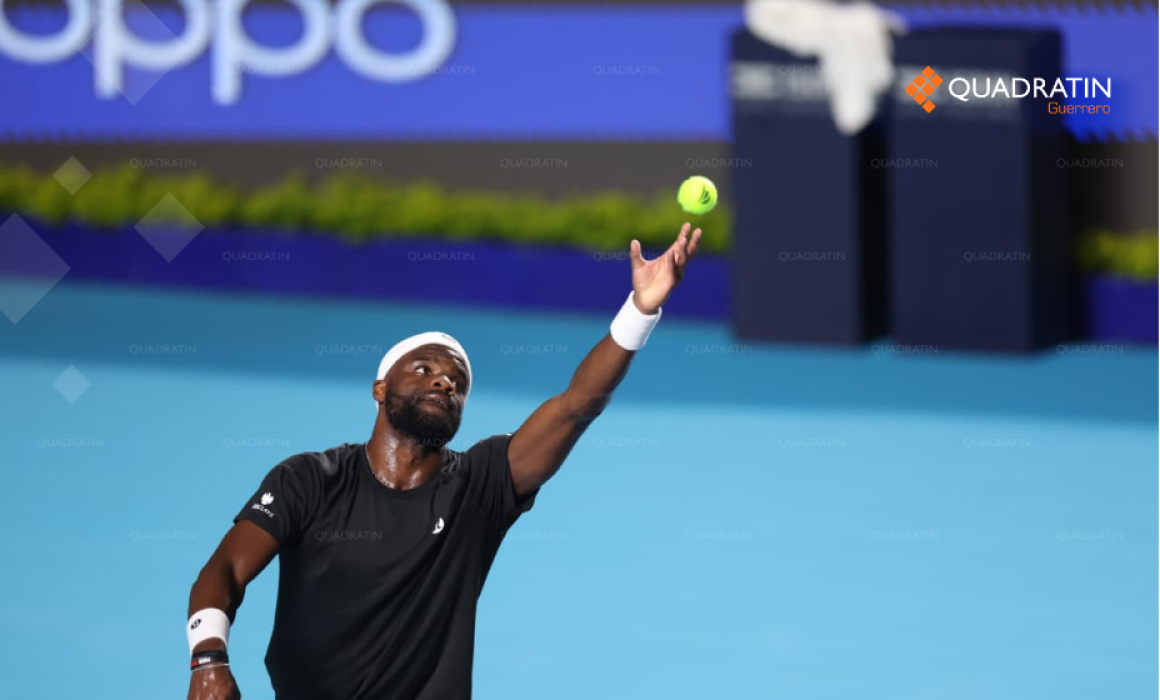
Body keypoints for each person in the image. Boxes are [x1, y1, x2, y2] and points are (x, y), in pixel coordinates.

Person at [186, 224, 703, 700]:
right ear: (380, 389)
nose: (444, 381)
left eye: (457, 381)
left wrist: (639, 311)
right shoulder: (309, 479)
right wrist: (208, 660)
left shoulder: (480, 484)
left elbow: (576, 406)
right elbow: (225, 569)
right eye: (424, 368)